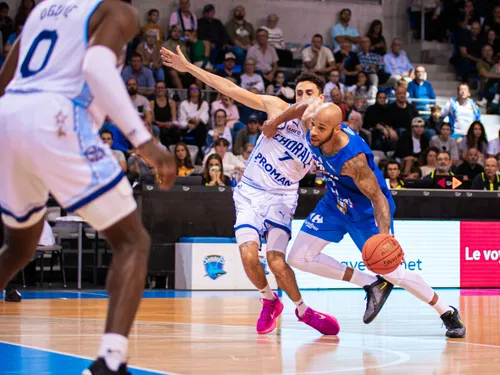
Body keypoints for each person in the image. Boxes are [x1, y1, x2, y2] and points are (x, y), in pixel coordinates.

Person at [0, 2, 177, 374]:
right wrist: (144, 141)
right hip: (58, 116)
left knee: (20, 245)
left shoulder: (43, 9)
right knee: (132, 242)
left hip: (9, 116)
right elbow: (96, 67)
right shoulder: (117, 10)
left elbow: (6, 79)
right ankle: (111, 362)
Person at [162, 47, 353, 335]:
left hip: (282, 197)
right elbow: (229, 87)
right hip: (250, 191)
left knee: (277, 261)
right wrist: (189, 68)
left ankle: (303, 310)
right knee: (249, 256)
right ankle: (269, 300)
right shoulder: (277, 107)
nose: (302, 99)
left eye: (309, 94)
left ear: (322, 99)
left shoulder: (325, 136)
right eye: (298, 93)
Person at [262, 101, 466, 339]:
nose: (314, 132)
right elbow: (303, 106)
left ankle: (446, 312)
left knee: (393, 272)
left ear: (336, 130)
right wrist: (274, 122)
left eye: (321, 128)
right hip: (335, 203)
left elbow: (379, 199)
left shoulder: (353, 161)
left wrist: (385, 237)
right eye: (314, 126)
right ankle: (370, 284)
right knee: (298, 257)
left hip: (365, 211)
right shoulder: (313, 125)